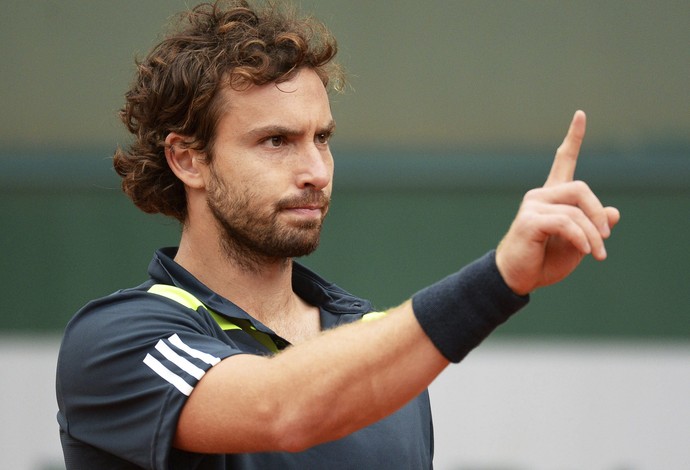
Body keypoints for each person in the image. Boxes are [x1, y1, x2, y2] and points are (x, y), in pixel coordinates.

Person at [55, 1, 620, 469]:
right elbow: (284, 408)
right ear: (188, 159)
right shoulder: (114, 341)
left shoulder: (374, 344)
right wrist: (500, 279)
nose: (316, 171)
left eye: (321, 138)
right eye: (276, 141)